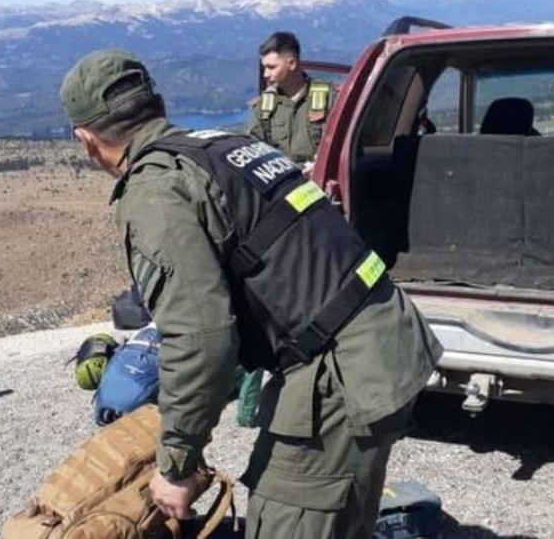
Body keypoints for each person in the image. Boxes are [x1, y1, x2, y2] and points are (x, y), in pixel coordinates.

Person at [60, 50, 441, 538]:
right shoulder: (226, 147)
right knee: (342, 515)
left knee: (288, 516)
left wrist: (176, 466)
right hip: (386, 336)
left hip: (340, 373)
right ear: (157, 102)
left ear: (87, 140)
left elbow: (200, 338)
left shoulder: (156, 191)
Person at [244, 31, 335, 166]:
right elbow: (250, 147)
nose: (265, 74)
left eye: (271, 67)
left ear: (291, 63)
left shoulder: (328, 99)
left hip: (317, 180)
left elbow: (342, 147)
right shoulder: (266, 105)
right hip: (281, 180)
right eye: (264, 68)